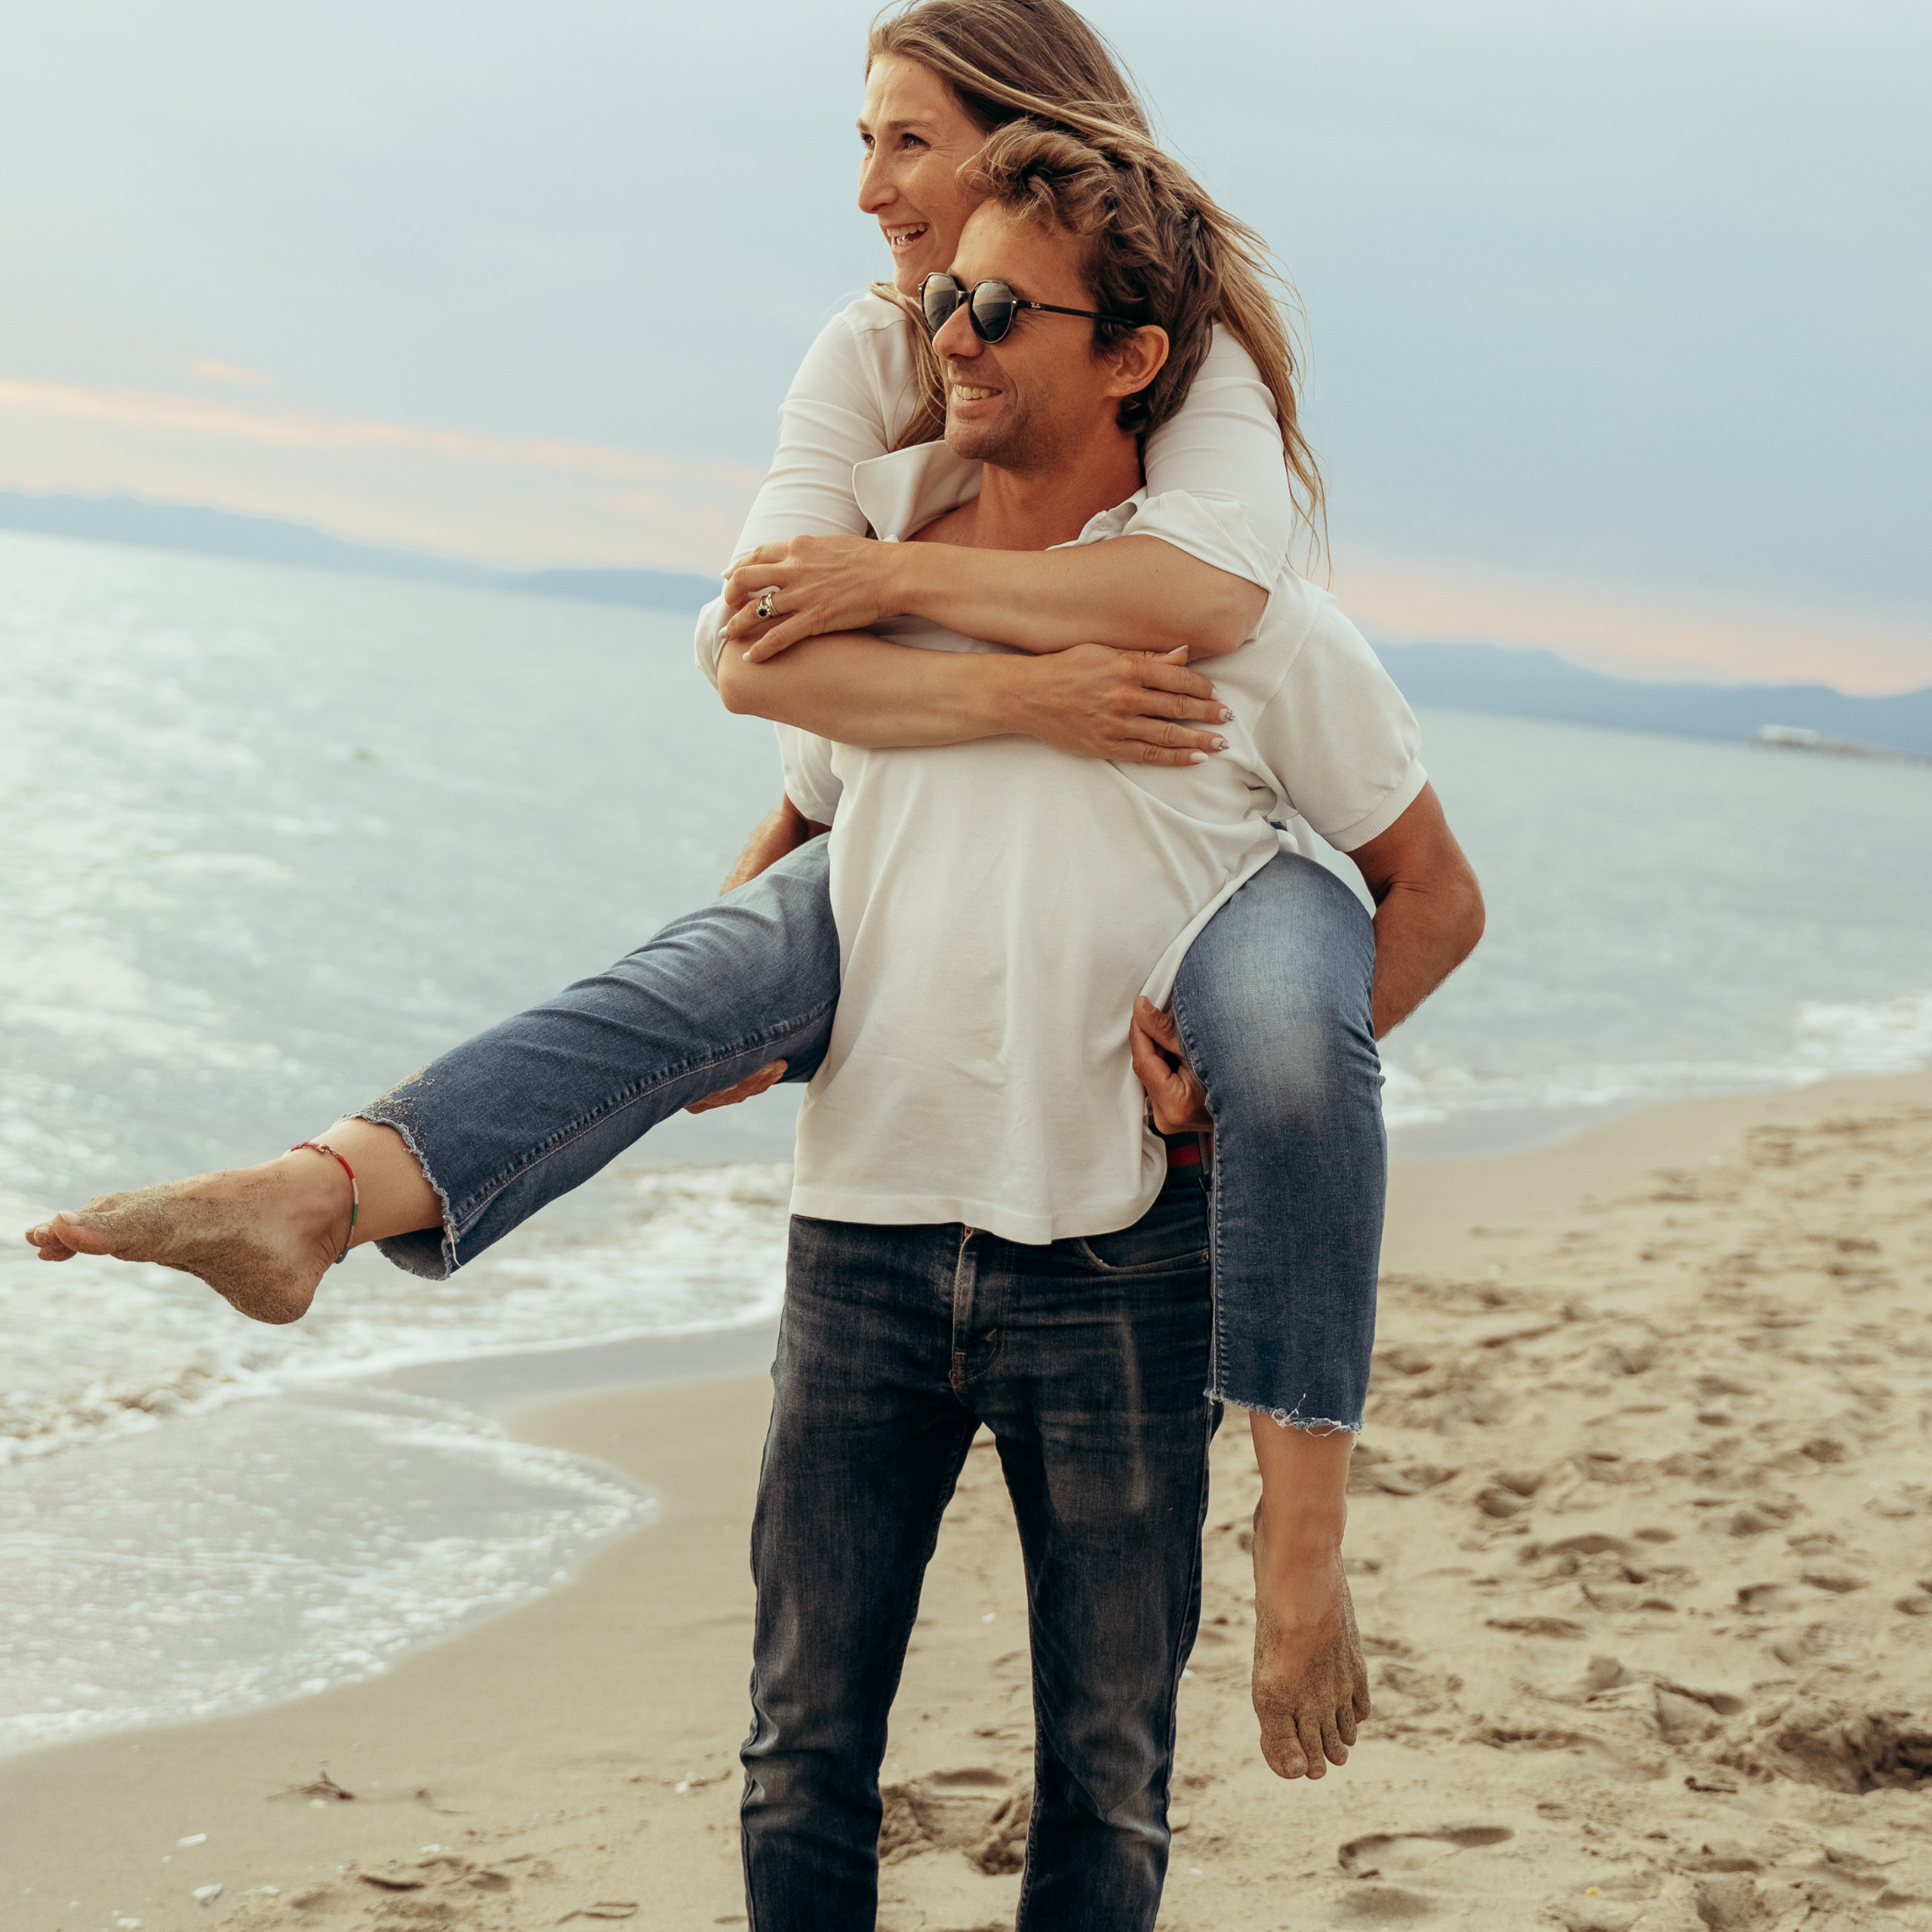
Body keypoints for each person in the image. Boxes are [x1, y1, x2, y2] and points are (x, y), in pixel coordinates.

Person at [20, 0, 1482, 1783]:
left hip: (1228, 867)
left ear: (1024, 154)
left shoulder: (1205, 372)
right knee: (709, 962)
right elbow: (755, 656)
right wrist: (777, 939)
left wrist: (893, 602)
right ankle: (325, 1191)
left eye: (904, 143)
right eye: (860, 148)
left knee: (1284, 1040)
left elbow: (1210, 601)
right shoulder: (877, 373)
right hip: (925, 901)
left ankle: (1304, 1525)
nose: (874, 197)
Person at [727, 123, 1478, 1928]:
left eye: (996, 306)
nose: (952, 337)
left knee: (1107, 1780)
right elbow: (807, 822)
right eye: (941, 300)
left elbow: (1432, 896)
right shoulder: (876, 574)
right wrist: (747, 1002)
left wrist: (1225, 1104)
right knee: (799, 1745)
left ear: (1131, 357)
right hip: (864, 1234)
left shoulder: (1255, 633)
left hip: (1118, 1263)